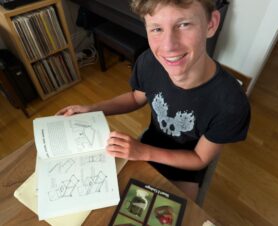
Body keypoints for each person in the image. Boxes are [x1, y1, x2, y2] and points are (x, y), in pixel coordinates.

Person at [56, 0, 250, 201]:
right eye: (156, 28)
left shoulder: (231, 103)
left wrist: (143, 151)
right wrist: (93, 109)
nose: (169, 47)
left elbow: (199, 159)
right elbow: (135, 98)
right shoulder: (149, 62)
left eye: (183, 24)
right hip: (147, 147)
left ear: (211, 24)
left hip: (185, 166)